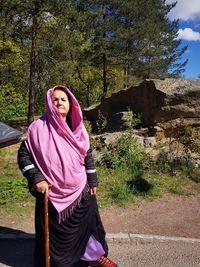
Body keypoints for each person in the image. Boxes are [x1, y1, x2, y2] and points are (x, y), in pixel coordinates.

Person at [18, 85, 118, 267]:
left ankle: (95, 257)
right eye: (55, 99)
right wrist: (36, 178)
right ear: (49, 103)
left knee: (87, 226)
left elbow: (87, 155)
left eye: (64, 99)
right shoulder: (37, 128)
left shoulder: (77, 128)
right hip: (52, 193)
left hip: (81, 188)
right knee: (57, 234)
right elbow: (23, 156)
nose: (59, 102)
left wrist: (92, 179)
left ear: (71, 104)